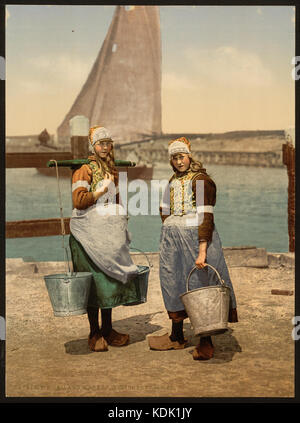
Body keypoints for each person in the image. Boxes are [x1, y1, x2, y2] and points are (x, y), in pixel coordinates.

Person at [148, 137, 238, 360]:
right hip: (173, 242)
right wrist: (171, 227)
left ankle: (206, 341)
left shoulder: (201, 181)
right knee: (173, 282)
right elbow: (164, 209)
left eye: (182, 157)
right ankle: (177, 336)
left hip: (197, 240)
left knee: (201, 285)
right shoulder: (171, 181)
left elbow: (205, 217)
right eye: (175, 158)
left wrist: (202, 250)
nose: (179, 162)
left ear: (190, 156)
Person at [69, 126, 140, 352]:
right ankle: (94, 332)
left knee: (108, 281)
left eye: (108, 143)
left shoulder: (112, 171)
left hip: (106, 234)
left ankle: (108, 329)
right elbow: (79, 201)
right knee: (92, 283)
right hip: (86, 234)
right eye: (101, 144)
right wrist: (100, 192)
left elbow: (116, 200)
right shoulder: (83, 171)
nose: (105, 147)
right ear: (93, 146)